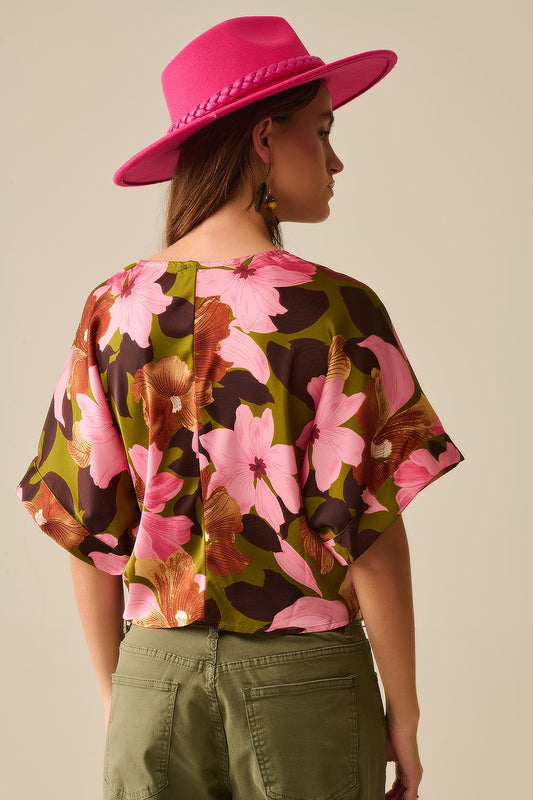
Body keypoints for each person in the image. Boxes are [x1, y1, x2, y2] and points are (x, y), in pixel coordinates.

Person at [17, 16, 463, 800]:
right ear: (263, 138)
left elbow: (86, 526)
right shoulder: (336, 311)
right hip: (305, 687)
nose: (333, 160)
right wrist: (406, 713)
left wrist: (123, 697)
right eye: (320, 132)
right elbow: (370, 536)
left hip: (153, 678)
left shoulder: (112, 309)